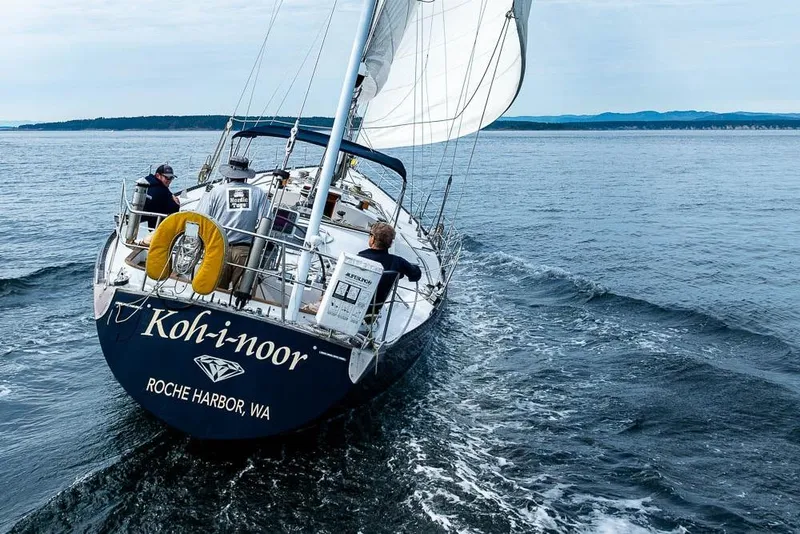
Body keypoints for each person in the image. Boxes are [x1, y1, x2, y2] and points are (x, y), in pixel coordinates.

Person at [197, 155, 270, 290]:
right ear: (246, 174)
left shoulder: (216, 191)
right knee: (242, 294)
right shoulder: (258, 193)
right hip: (244, 251)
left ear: (229, 173)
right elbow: (266, 222)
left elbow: (203, 218)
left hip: (218, 248)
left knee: (213, 290)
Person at [358, 222, 422, 317]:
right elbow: (416, 275)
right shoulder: (398, 262)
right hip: (373, 312)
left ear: (373, 239)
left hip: (356, 307)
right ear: (391, 243)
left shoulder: (360, 257)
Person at [142, 164, 180, 228]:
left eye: (171, 178)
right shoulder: (162, 191)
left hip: (142, 220)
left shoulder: (147, 182)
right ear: (157, 175)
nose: (169, 180)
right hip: (155, 227)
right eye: (166, 177)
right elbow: (174, 209)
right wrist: (176, 202)